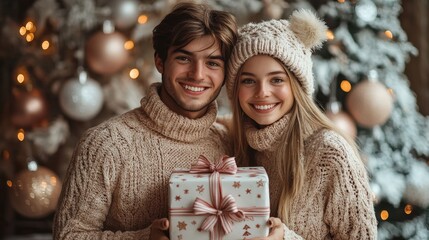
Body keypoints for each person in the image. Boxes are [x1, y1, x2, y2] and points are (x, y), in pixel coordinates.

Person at [53, 2, 237, 239]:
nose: (198, 74)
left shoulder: (229, 142)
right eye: (184, 58)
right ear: (160, 61)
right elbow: (68, 235)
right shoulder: (106, 143)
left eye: (212, 63)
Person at [225, 9, 378, 239]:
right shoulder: (235, 147)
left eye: (276, 79)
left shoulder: (330, 154)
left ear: (297, 86)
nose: (262, 92)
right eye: (248, 80)